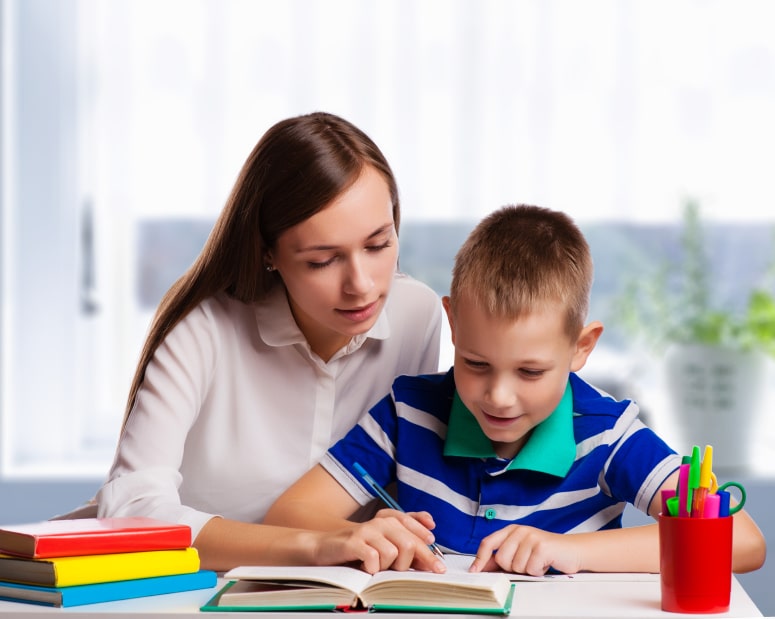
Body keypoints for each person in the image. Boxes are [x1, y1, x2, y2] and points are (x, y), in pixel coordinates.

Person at [265, 204, 767, 575]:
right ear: (453, 326)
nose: (498, 397)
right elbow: (288, 516)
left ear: (581, 348)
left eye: (530, 372)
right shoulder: (409, 410)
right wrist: (357, 533)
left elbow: (741, 541)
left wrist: (568, 549)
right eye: (476, 364)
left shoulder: (607, 434)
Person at [87, 111, 444, 572]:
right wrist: (312, 546)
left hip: (341, 589)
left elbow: (402, 470)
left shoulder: (416, 314)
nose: (362, 284)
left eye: (378, 245)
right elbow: (131, 510)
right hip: (197, 588)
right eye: (322, 260)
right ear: (268, 253)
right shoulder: (205, 329)